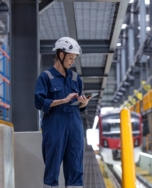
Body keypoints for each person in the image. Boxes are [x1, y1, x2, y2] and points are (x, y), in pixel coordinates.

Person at [35, 37, 91, 188]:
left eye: (74, 58)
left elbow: (78, 105)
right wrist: (63, 100)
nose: (72, 61)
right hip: (54, 126)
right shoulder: (46, 77)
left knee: (75, 167)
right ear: (61, 55)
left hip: (74, 125)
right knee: (52, 168)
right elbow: (39, 103)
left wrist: (83, 103)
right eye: (71, 58)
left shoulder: (75, 78)